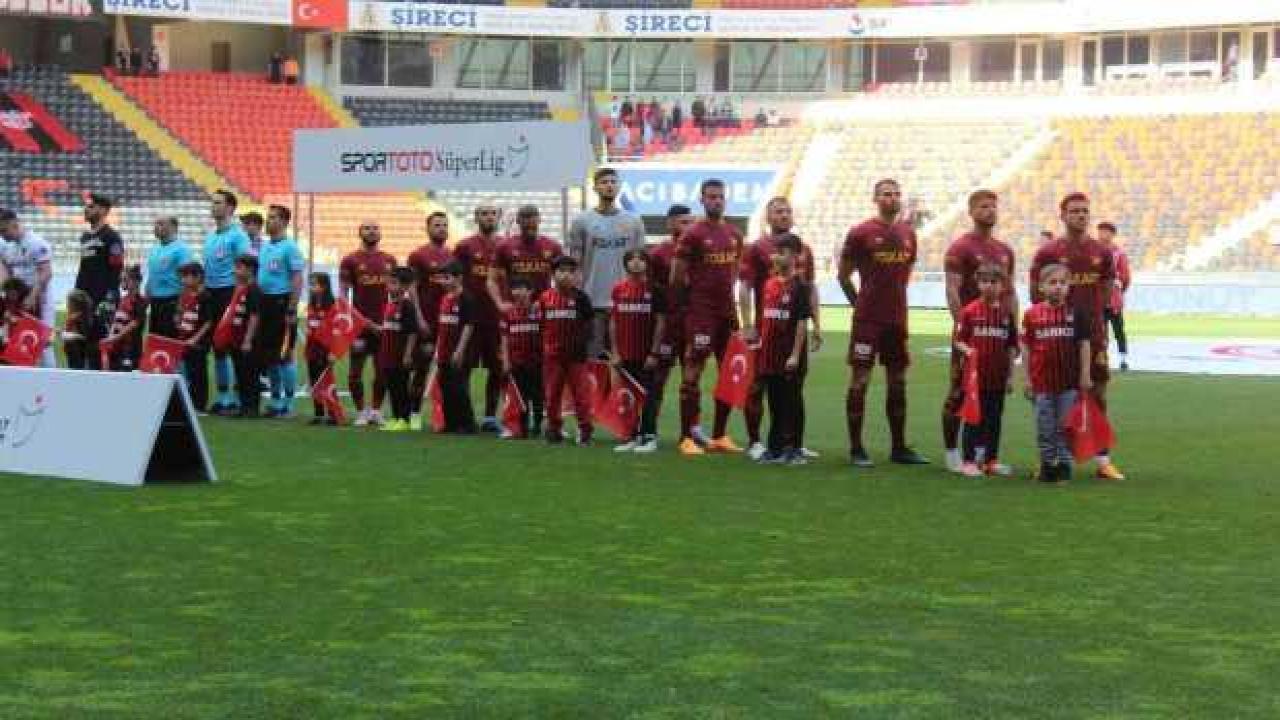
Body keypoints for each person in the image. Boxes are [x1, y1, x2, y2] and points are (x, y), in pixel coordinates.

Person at [1030, 193, 1124, 481]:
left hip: (1092, 335)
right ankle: (1050, 459)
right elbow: (1035, 293)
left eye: (1085, 211)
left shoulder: (1102, 252)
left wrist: (1093, 318)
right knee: (1050, 398)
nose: (1081, 215)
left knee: (1097, 394)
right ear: (1062, 215)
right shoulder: (1048, 252)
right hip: (1055, 335)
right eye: (1074, 211)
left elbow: (1106, 290)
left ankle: (1103, 461)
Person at [837, 179, 929, 468]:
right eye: (887, 194)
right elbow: (843, 276)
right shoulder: (861, 232)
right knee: (860, 382)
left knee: (898, 382)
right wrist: (859, 305)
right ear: (875, 199)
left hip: (896, 320)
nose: (893, 198)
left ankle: (899, 448)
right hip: (868, 321)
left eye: (897, 194)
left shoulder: (908, 234)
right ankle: (856, 448)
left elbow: (905, 273)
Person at [739, 197, 822, 461]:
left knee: (792, 389)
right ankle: (758, 441)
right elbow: (745, 287)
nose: (784, 215)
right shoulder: (756, 248)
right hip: (766, 332)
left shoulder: (804, 251)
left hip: (792, 333)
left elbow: (811, 289)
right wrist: (748, 324)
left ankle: (793, 443)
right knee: (761, 387)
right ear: (768, 216)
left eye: (787, 211)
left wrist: (817, 324)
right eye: (778, 211)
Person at [941, 190, 1016, 473]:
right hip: (972, 335)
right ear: (971, 212)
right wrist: (963, 326)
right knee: (959, 393)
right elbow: (952, 289)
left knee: (992, 397)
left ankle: (984, 456)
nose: (990, 210)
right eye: (984, 206)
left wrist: (1013, 327)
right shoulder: (960, 248)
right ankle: (952, 452)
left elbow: (1010, 293)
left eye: (993, 206)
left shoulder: (1005, 250)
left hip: (997, 335)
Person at [671, 179, 745, 456]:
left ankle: (719, 435)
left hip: (727, 313)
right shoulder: (693, 234)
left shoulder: (734, 234)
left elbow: (735, 271)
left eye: (720, 196)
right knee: (693, 373)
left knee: (729, 373)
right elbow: (676, 277)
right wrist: (689, 306)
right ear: (702, 200)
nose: (717, 201)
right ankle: (686, 437)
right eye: (711, 197)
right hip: (701, 314)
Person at [1022, 263, 1092, 485]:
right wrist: (1027, 378)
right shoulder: (1031, 314)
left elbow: (1084, 345)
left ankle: (1064, 466)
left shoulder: (1076, 313)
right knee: (1045, 427)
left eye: (1063, 283)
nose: (1058, 287)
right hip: (1042, 382)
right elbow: (1026, 348)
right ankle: (1047, 465)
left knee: (1064, 426)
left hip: (1068, 383)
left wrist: (1085, 374)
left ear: (1069, 286)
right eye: (1053, 283)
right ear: (1041, 287)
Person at [568, 168, 646, 360]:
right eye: (604, 182)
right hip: (592, 300)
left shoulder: (634, 221)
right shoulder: (581, 221)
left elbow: (641, 262)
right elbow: (575, 262)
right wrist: (576, 294)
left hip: (626, 302)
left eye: (613, 181)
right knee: (593, 359)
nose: (609, 185)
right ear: (595, 187)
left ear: (618, 186)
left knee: (626, 359)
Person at [952, 263, 1018, 478]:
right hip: (975, 379)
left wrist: (1010, 376)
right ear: (978, 284)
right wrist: (968, 351)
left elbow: (1011, 346)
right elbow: (958, 340)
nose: (988, 286)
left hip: (997, 377)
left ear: (1002, 285)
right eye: (984, 282)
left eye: (993, 282)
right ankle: (969, 461)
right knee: (973, 418)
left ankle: (991, 461)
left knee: (994, 420)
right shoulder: (969, 311)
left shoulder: (1007, 313)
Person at [754, 233, 812, 466]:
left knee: (792, 401)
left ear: (795, 255)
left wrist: (795, 354)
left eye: (782, 253)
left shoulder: (800, 287)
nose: (776, 257)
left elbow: (801, 323)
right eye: (775, 252)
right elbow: (765, 319)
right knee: (774, 402)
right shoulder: (769, 284)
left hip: (789, 355)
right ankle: (775, 448)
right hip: (770, 354)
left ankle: (794, 449)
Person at [649, 204, 702, 443]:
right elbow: (652, 290)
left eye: (691, 222)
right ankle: (649, 428)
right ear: (670, 224)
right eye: (683, 222)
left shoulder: (699, 251)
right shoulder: (658, 254)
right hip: (669, 325)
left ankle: (693, 428)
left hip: (693, 322)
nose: (688, 227)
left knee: (692, 377)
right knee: (658, 377)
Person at [453, 203, 506, 433]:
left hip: (497, 319)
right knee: (464, 368)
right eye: (484, 213)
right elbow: (455, 279)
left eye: (493, 213)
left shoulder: (506, 245)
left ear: (499, 217)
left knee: (498, 369)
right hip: (471, 320)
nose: (489, 217)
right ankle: (466, 417)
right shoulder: (464, 246)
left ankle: (490, 417)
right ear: (476, 217)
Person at [609, 250, 666, 454]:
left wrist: (654, 353)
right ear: (625, 264)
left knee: (648, 396)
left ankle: (649, 437)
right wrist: (615, 352)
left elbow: (661, 323)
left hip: (646, 354)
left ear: (647, 264)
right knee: (628, 396)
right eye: (631, 259)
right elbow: (613, 321)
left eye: (641, 259)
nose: (636, 262)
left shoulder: (655, 289)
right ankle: (631, 436)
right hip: (625, 354)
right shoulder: (618, 289)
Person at [339, 221, 396, 427]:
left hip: (384, 326)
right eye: (367, 228)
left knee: (382, 371)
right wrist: (359, 321)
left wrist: (391, 320)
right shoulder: (350, 260)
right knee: (355, 373)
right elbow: (343, 296)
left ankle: (376, 411)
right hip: (359, 326)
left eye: (375, 228)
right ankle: (361, 412)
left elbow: (397, 294)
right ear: (360, 233)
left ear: (380, 233)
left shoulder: (389, 260)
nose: (372, 232)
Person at [536, 256, 595, 445]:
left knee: (581, 396)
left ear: (576, 275)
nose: (566, 275)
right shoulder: (545, 298)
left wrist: (581, 345)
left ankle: (585, 431)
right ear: (553, 274)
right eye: (561, 271)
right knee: (552, 395)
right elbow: (540, 325)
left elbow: (589, 326)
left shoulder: (581, 298)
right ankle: (554, 430)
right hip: (552, 356)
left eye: (570, 271)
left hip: (576, 357)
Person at [203, 190, 251, 414]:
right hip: (211, 294)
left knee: (233, 345)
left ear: (230, 207)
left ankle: (239, 397)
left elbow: (247, 267)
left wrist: (239, 296)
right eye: (212, 202)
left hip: (230, 293)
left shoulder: (238, 236)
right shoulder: (211, 236)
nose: (213, 206)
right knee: (218, 346)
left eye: (218, 203)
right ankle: (223, 397)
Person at [406, 211, 453, 430]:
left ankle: (444, 415)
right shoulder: (418, 255)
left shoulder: (452, 256)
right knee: (421, 368)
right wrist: (419, 317)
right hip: (426, 321)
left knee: (448, 371)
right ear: (428, 228)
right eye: (437, 225)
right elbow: (412, 287)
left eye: (444, 225)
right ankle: (414, 415)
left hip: (448, 322)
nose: (441, 228)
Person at [258, 205, 305, 418]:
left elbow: (297, 278)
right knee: (269, 356)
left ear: (285, 222)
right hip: (265, 304)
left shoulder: (290, 248)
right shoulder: (266, 246)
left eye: (274, 217)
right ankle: (275, 400)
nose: (269, 221)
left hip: (282, 303)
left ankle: (288, 403)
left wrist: (292, 307)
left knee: (284, 354)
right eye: (268, 217)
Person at [0, 209, 55, 366]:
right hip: (19, 300)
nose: (2, 235)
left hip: (40, 300)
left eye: (4, 230)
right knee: (19, 341)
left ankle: (51, 376)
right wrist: (7, 297)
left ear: (14, 224)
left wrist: (32, 296)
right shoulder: (8, 247)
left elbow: (46, 272)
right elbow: (6, 272)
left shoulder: (36, 243)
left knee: (43, 342)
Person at [76, 193, 124, 369]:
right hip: (84, 300)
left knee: (100, 346)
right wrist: (76, 295)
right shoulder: (85, 237)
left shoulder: (112, 237)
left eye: (91, 206)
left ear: (103, 210)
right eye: (86, 206)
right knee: (80, 345)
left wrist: (108, 299)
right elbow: (83, 269)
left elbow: (116, 269)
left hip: (102, 300)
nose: (86, 209)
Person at [489, 205, 563, 311]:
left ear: (539, 220)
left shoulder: (553, 246)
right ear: (518, 222)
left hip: (544, 306)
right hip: (514, 308)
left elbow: (563, 278)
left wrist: (553, 299)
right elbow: (492, 279)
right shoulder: (505, 246)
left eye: (533, 226)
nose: (530, 229)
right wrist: (499, 303)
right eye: (526, 227)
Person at [434, 262, 477, 434]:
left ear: (459, 278)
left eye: (447, 278)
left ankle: (467, 424)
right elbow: (442, 326)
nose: (443, 282)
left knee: (459, 388)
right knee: (446, 388)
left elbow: (469, 325)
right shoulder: (445, 298)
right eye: (442, 278)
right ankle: (451, 423)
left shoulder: (466, 298)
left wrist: (459, 351)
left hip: (459, 352)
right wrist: (438, 350)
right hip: (444, 351)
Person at [499, 278, 543, 440]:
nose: (517, 292)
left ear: (530, 291)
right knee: (520, 396)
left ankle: (537, 425)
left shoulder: (539, 311)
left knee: (537, 395)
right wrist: (505, 360)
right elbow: (504, 338)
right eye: (514, 289)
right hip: (517, 362)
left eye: (521, 288)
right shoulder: (508, 313)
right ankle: (522, 427)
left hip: (536, 361)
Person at [377, 267, 420, 432]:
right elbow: (387, 328)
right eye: (389, 282)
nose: (389, 286)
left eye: (394, 283)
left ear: (405, 286)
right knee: (392, 387)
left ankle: (404, 419)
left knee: (401, 387)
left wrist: (408, 354)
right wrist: (372, 325)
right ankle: (395, 418)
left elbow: (412, 332)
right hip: (387, 354)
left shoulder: (407, 306)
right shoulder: (389, 305)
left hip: (400, 355)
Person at [175, 262, 215, 412]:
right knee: (187, 372)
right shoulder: (184, 295)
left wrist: (195, 339)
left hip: (198, 343)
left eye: (187, 276)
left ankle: (199, 405)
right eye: (182, 277)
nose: (183, 280)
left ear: (198, 277)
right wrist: (178, 319)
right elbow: (180, 315)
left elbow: (208, 322)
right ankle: (188, 403)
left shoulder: (205, 296)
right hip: (184, 340)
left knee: (199, 373)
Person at [144, 215, 192, 339]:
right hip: (155, 303)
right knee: (154, 340)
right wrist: (146, 299)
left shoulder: (181, 249)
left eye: (161, 224)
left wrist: (180, 307)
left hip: (171, 302)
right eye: (155, 224)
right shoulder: (155, 249)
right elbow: (151, 276)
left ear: (173, 227)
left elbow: (187, 281)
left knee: (168, 341)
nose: (156, 227)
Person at [230, 255, 264, 418]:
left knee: (250, 373)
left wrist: (248, 340)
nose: (235, 271)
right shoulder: (240, 288)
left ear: (250, 270)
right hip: (237, 338)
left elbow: (254, 316)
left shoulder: (254, 290)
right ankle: (244, 406)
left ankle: (252, 407)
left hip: (248, 339)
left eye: (239, 268)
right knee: (241, 373)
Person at [305, 272, 337, 425]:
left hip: (325, 349)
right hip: (312, 348)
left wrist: (332, 351)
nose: (311, 287)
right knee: (314, 381)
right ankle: (318, 413)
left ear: (324, 286)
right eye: (310, 284)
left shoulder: (331, 305)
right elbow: (310, 324)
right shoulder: (311, 303)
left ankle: (333, 414)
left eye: (314, 284)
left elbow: (335, 330)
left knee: (326, 380)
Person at [1098, 221, 1131, 371]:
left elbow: (1125, 277)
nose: (1102, 235)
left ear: (1112, 235)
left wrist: (1118, 291)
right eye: (1100, 231)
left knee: (1118, 330)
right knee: (1100, 332)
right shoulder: (1093, 251)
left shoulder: (1119, 253)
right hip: (1098, 300)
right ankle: (1102, 359)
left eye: (1106, 232)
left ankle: (1123, 359)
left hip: (1113, 301)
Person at [102, 265, 146, 371]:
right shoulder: (123, 299)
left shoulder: (139, 301)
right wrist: (111, 336)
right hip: (117, 346)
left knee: (127, 372)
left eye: (125, 279)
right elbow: (116, 321)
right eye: (121, 279)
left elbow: (134, 323)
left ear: (136, 282)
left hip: (130, 347)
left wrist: (116, 337)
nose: (122, 282)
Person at [62, 290, 93, 370]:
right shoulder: (85, 317)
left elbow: (73, 336)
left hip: (77, 352)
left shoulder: (76, 319)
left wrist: (64, 334)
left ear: (73, 305)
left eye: (68, 303)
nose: (67, 306)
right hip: (77, 352)